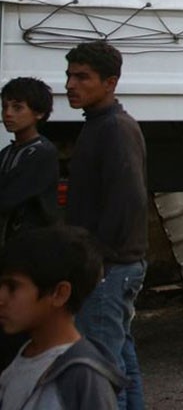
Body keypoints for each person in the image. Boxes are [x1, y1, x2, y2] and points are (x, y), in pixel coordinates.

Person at [64, 41, 148, 410]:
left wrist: (98, 259)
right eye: (69, 75)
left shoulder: (115, 128)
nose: (70, 85)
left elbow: (127, 200)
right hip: (110, 265)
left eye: (82, 77)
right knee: (120, 356)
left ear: (110, 83)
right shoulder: (97, 125)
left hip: (110, 267)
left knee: (101, 367)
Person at [0, 225, 126, 409]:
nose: (1, 298)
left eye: (12, 287)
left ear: (59, 294)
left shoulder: (83, 378)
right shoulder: (21, 358)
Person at [0, 77, 60, 240]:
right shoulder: (7, 152)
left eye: (17, 108)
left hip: (32, 245)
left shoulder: (42, 153)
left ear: (39, 113)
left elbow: (8, 198)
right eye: (4, 107)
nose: (8, 113)